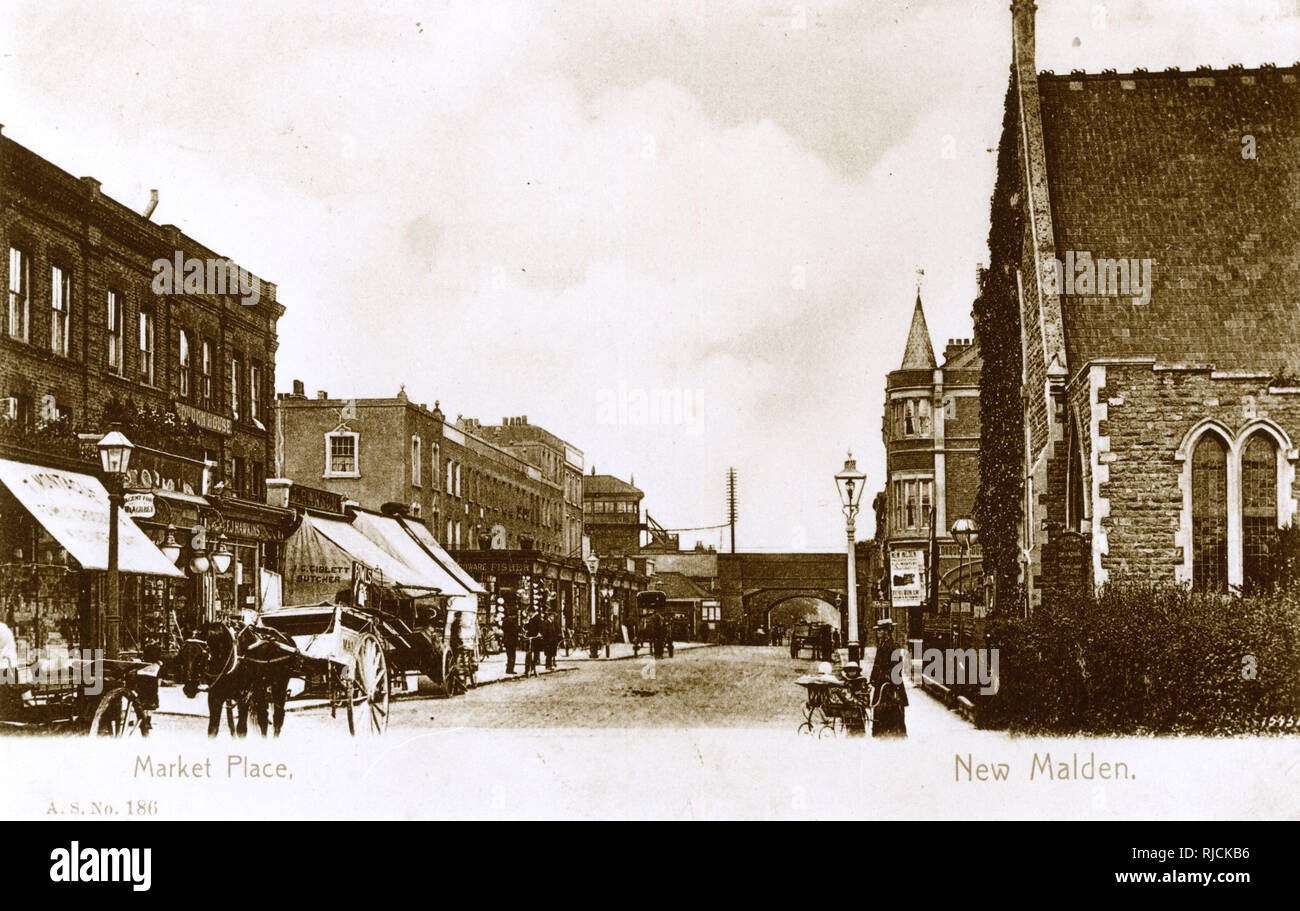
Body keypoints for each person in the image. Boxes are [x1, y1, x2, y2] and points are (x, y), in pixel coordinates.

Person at [868, 619, 908, 738]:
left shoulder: (894, 646)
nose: (878, 633)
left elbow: (897, 667)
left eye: (880, 630)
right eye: (878, 630)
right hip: (881, 684)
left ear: (887, 631)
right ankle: (881, 736)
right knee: (879, 710)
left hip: (890, 686)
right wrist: (873, 678)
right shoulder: (881, 645)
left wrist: (889, 679)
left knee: (893, 713)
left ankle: (894, 738)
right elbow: (876, 664)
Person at [523, 608, 542, 676]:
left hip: (535, 638)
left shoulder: (537, 618)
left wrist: (539, 633)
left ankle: (533, 667)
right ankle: (527, 669)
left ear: (532, 612)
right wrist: (525, 624)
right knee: (528, 653)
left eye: (529, 613)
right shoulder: (530, 619)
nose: (528, 614)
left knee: (535, 653)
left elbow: (540, 627)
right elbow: (526, 628)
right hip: (530, 638)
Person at [502, 606, 519, 675]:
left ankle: (508, 669)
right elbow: (515, 631)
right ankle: (511, 669)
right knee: (512, 656)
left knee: (509, 656)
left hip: (506, 641)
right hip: (512, 641)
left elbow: (503, 629)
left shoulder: (505, 621)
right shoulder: (512, 622)